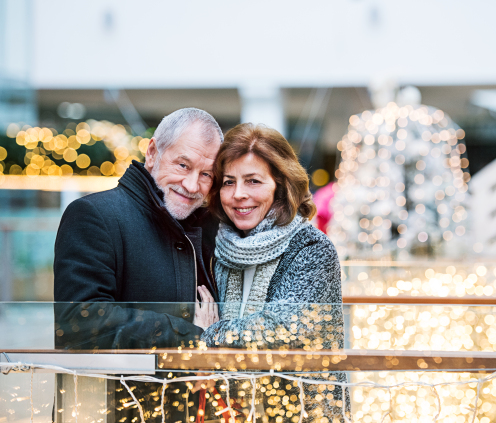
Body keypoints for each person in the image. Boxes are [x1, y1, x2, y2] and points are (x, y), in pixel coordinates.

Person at [53, 108, 222, 421]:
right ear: (153, 152)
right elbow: (78, 323)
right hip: (114, 410)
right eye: (183, 164)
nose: (191, 184)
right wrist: (191, 335)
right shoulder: (94, 215)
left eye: (206, 174)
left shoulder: (211, 227)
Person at [197, 123, 348, 422]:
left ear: (280, 184)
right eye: (228, 182)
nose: (239, 194)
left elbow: (280, 330)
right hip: (230, 411)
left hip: (300, 411)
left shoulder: (311, 247)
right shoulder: (217, 246)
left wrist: (205, 335)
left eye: (253, 181)